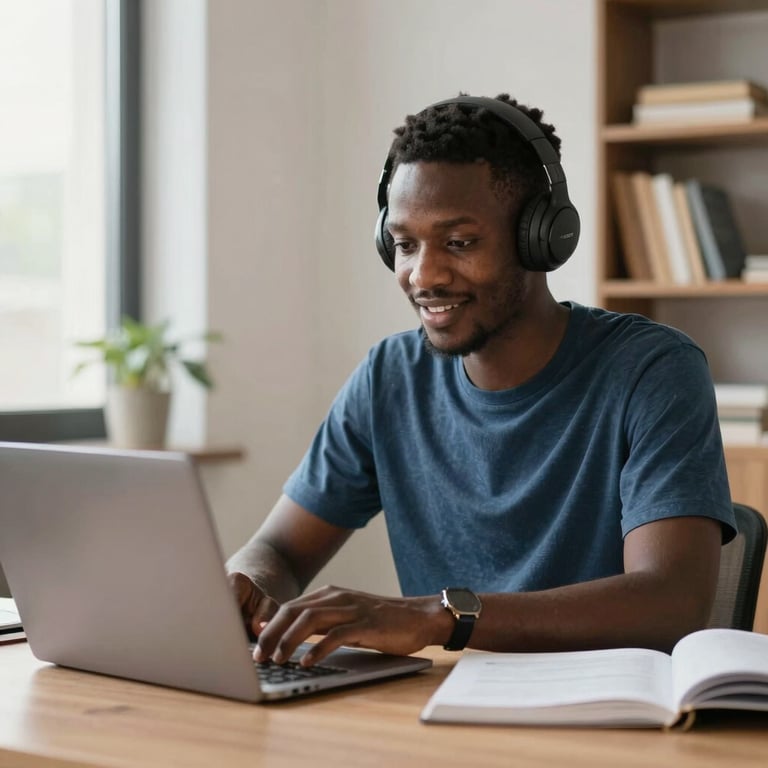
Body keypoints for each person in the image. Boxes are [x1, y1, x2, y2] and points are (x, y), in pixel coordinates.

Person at [227, 93, 735, 668]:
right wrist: (245, 582)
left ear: (540, 237)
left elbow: (672, 601)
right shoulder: (389, 378)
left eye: (460, 243)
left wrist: (437, 617)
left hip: (604, 714)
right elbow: (280, 550)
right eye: (404, 244)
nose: (425, 274)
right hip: (443, 713)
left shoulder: (650, 370)